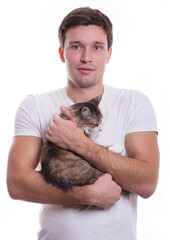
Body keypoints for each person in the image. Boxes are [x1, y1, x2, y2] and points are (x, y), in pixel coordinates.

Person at [7, 7, 159, 240]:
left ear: (108, 54)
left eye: (97, 47)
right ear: (62, 53)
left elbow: (147, 183)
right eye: (76, 46)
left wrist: (81, 144)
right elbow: (17, 184)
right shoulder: (35, 105)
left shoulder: (134, 103)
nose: (86, 57)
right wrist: (87, 194)